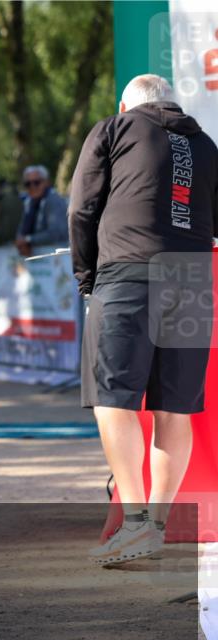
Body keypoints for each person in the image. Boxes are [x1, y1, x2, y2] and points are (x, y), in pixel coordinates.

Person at [69, 74, 218, 566]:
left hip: (128, 276)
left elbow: (82, 207)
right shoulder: (206, 145)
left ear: (126, 104)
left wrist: (87, 280)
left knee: (114, 397)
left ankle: (135, 524)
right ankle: (153, 524)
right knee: (174, 408)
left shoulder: (114, 128)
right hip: (193, 280)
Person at [14, 165, 69, 257]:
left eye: (36, 182)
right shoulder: (29, 202)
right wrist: (22, 243)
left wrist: (28, 240)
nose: (32, 187)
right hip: (37, 260)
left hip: (56, 259)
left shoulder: (54, 200)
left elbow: (57, 233)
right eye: (28, 184)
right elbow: (21, 230)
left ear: (46, 182)